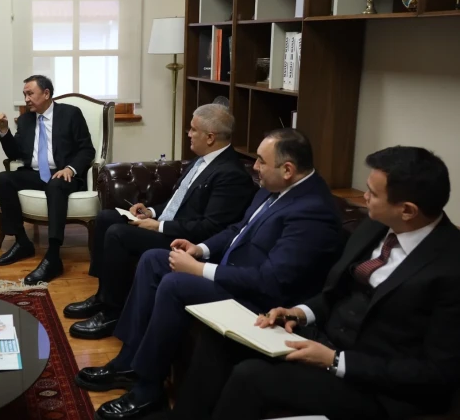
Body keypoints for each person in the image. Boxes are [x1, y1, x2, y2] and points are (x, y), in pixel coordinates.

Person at [77, 128, 346, 420]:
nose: (255, 167)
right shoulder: (273, 187)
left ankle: (148, 388)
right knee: (155, 259)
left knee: (176, 284)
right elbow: (238, 229)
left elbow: (270, 281)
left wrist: (200, 270)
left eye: (260, 161)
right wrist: (201, 249)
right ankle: (127, 363)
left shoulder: (312, 212)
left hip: (260, 300)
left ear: (288, 170)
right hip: (233, 272)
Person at [174, 146, 460, 420]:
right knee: (220, 337)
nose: (364, 198)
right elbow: (336, 292)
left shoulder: (450, 268)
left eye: (372, 194)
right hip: (320, 339)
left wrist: (336, 361)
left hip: (373, 385)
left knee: (251, 377)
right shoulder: (375, 227)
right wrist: (298, 313)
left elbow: (437, 373)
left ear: (407, 210)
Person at [65, 104, 257, 339]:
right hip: (167, 226)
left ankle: (113, 313)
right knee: (106, 218)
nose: (188, 133)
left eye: (193, 129)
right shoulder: (201, 160)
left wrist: (160, 226)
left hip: (184, 240)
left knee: (118, 234)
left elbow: (210, 227)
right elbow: (178, 201)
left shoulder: (231, 174)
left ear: (210, 137)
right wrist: (151, 212)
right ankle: (103, 296)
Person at [0, 75, 96, 284]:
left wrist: (70, 168)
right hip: (35, 173)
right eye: (24, 94)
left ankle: (53, 256)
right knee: (3, 179)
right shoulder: (25, 120)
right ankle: (22, 242)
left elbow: (87, 150)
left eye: (30, 93)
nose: (26, 99)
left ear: (46, 93)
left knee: (55, 185)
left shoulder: (70, 114)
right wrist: (4, 130)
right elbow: (15, 154)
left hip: (63, 174)